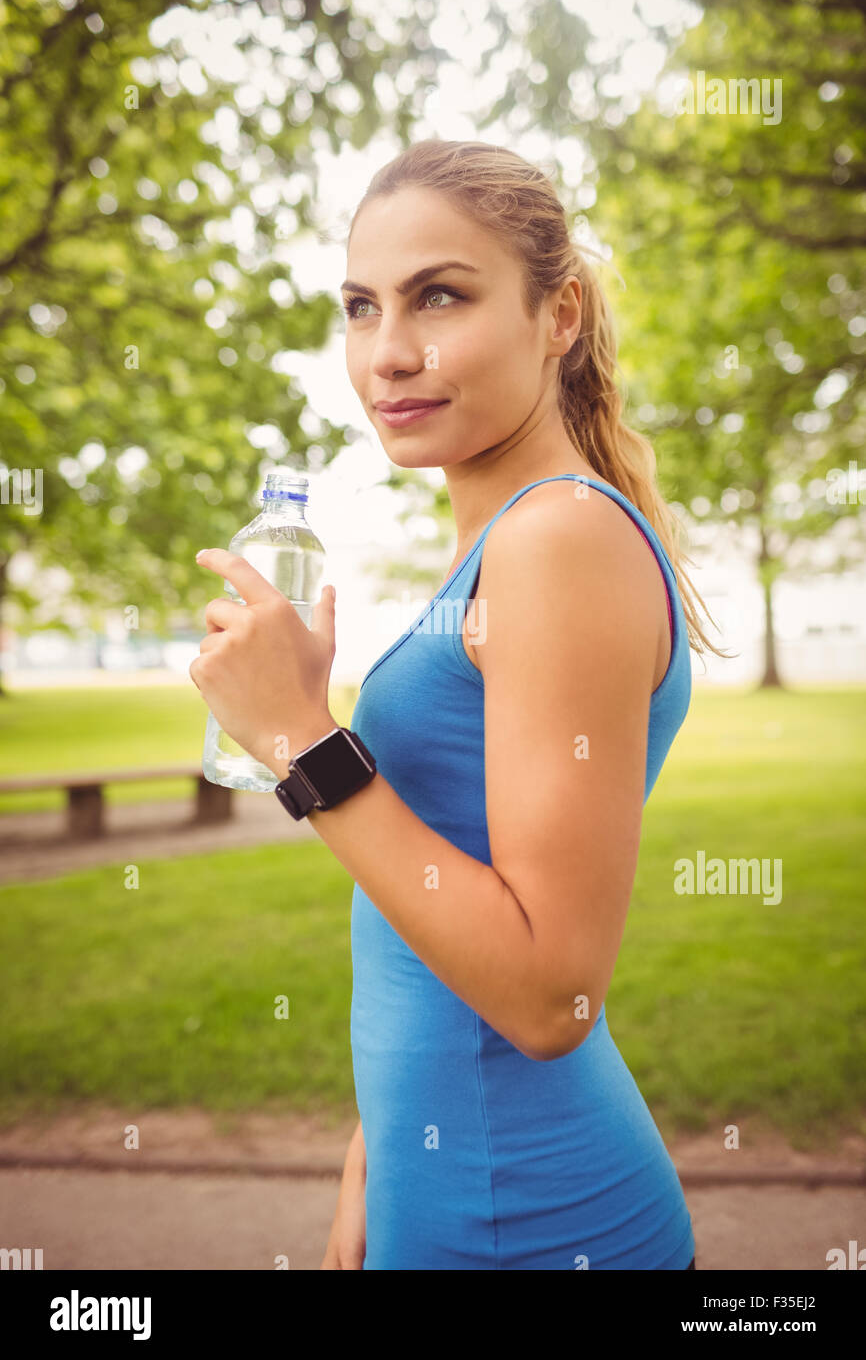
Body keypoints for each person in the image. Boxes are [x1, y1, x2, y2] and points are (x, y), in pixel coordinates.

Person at [189, 136, 726, 1270]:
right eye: (359, 306)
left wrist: (299, 737)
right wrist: (373, 1158)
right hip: (439, 1205)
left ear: (558, 313)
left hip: (534, 1228)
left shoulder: (555, 538)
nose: (387, 352)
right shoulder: (500, 541)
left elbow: (545, 996)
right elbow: (432, 915)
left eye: (438, 296)